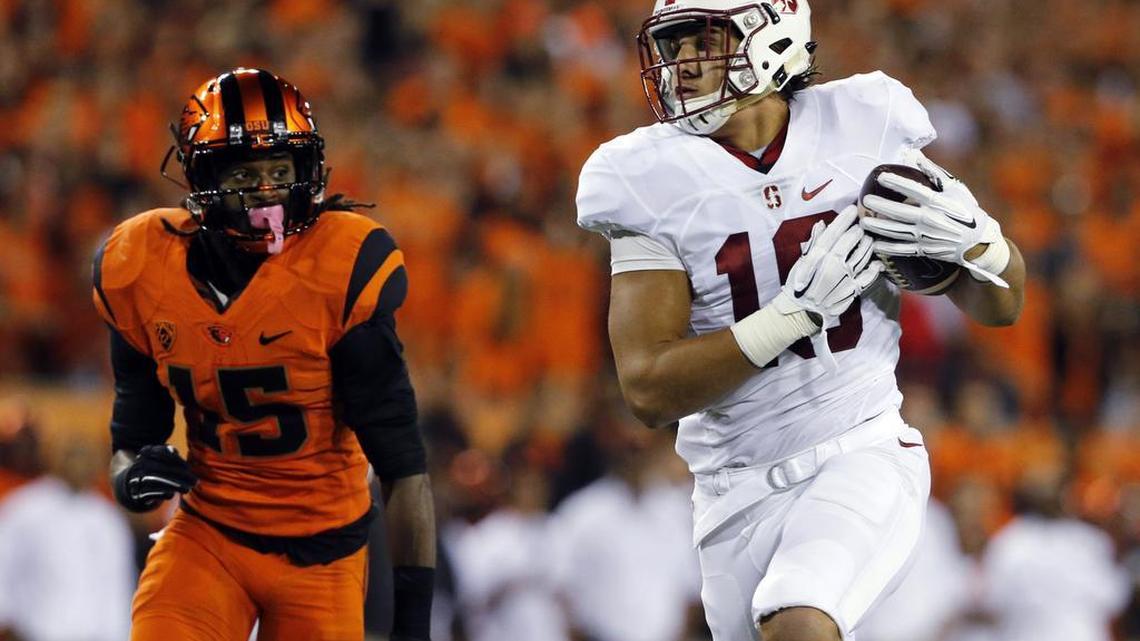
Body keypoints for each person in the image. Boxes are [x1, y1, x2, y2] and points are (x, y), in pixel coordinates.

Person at [575, 1, 1026, 640]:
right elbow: (648, 389)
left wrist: (985, 247)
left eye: (703, 38)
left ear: (773, 33)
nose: (681, 62)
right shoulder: (646, 176)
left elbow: (1003, 304)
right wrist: (790, 318)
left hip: (861, 449)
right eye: (672, 45)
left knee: (799, 620)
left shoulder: (865, 121)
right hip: (732, 489)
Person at [93, 68, 436, 641]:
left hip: (322, 554)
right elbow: (130, 443)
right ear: (201, 177)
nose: (269, 190)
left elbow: (405, 471)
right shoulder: (139, 266)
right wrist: (131, 478)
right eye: (245, 174)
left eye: (281, 171)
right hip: (210, 534)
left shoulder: (341, 267)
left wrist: (413, 626)